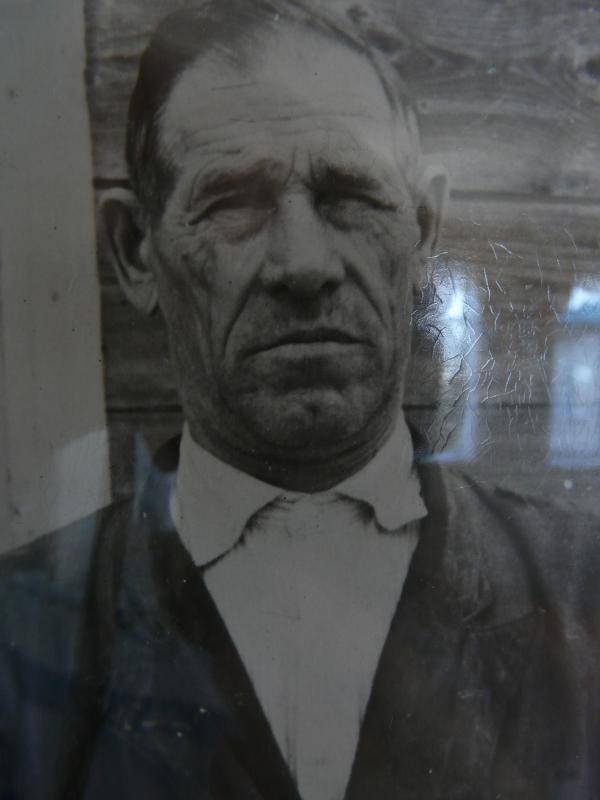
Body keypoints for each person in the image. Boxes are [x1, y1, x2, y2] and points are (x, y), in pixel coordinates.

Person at [0, 2, 598, 798]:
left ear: (423, 229)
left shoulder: (585, 591)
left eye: (352, 195)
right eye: (232, 202)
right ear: (136, 251)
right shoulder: (20, 637)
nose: (304, 265)